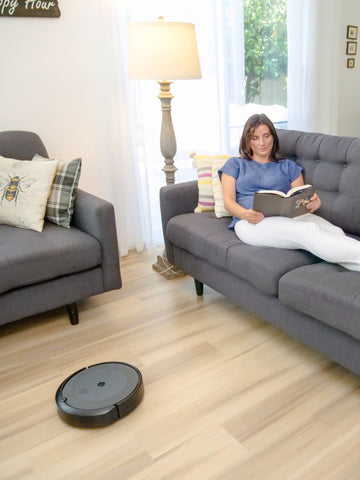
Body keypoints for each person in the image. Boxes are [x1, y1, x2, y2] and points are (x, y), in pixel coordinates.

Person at [219, 113, 360, 272]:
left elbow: (298, 199)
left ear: (273, 137)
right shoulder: (235, 164)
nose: (262, 143)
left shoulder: (288, 166)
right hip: (250, 223)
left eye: (266, 136)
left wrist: (312, 202)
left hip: (288, 217)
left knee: (335, 232)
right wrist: (245, 214)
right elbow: (228, 200)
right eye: (255, 138)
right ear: (247, 140)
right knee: (309, 231)